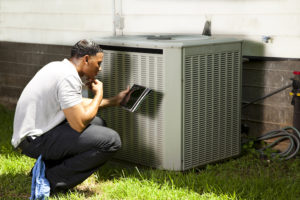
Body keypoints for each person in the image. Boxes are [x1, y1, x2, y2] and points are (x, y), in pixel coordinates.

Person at [11, 39, 129, 193]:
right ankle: (51, 180)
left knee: (98, 123)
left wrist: (114, 101)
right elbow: (78, 123)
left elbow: (76, 105)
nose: (99, 68)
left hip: (34, 135)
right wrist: (99, 94)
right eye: (98, 63)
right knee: (111, 141)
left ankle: (40, 171)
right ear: (86, 59)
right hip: (35, 141)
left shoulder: (59, 67)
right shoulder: (68, 77)